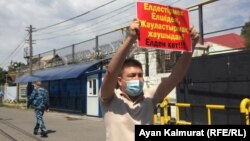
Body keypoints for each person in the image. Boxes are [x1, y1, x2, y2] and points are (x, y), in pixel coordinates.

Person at [99, 18, 199, 141]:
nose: (137, 78)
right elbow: (111, 73)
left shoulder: (148, 97)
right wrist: (130, 39)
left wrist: (191, 46)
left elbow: (175, 78)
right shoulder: (109, 98)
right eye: (131, 75)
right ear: (119, 81)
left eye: (140, 75)